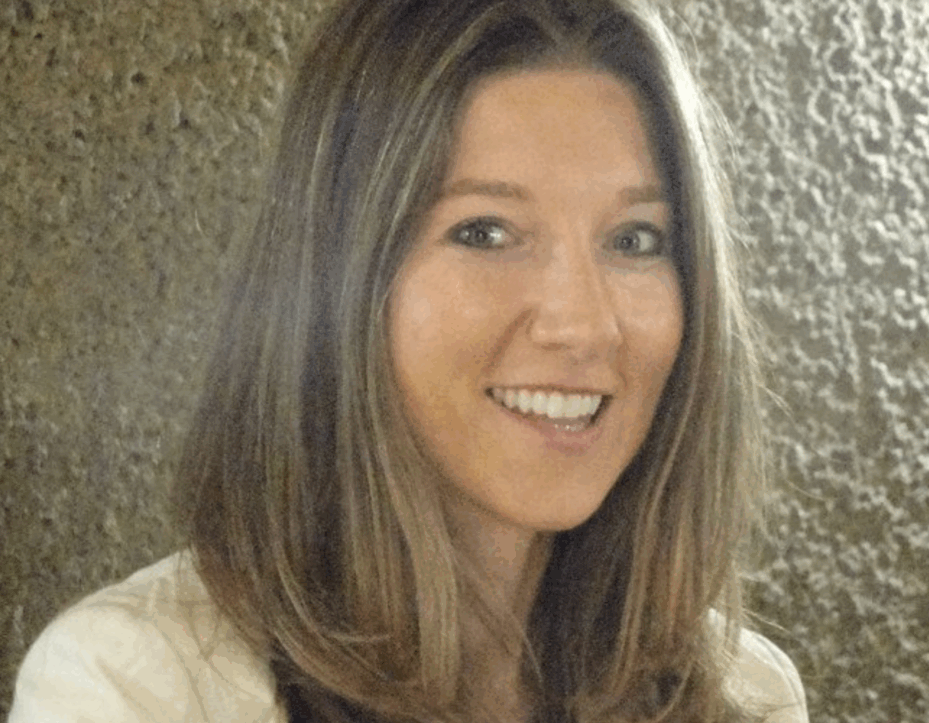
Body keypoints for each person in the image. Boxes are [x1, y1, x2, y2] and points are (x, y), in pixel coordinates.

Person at [10, 0, 808, 721]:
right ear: (341, 279)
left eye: (634, 240)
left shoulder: (742, 694)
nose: (584, 324)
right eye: (485, 232)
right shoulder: (134, 687)